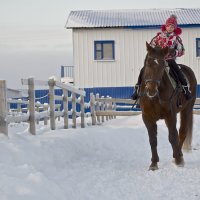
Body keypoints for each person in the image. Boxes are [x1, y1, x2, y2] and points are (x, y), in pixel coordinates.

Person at [131, 14, 192, 100]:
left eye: (172, 26)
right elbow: (151, 46)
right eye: (168, 26)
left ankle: (186, 90)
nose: (170, 28)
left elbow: (182, 51)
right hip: (158, 59)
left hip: (169, 59)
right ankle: (137, 89)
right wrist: (154, 51)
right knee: (143, 70)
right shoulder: (159, 36)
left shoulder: (176, 38)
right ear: (165, 26)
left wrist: (174, 52)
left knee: (178, 71)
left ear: (175, 28)